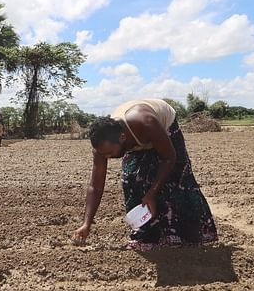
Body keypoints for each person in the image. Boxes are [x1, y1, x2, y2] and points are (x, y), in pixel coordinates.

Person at [71, 98, 218, 251]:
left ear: (122, 138)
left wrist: (152, 193)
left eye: (109, 153)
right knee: (131, 179)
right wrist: (86, 223)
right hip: (135, 137)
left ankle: (190, 235)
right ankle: (146, 236)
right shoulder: (102, 146)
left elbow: (169, 158)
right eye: (103, 154)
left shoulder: (145, 122)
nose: (106, 157)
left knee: (176, 177)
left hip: (163, 127)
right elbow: (95, 186)